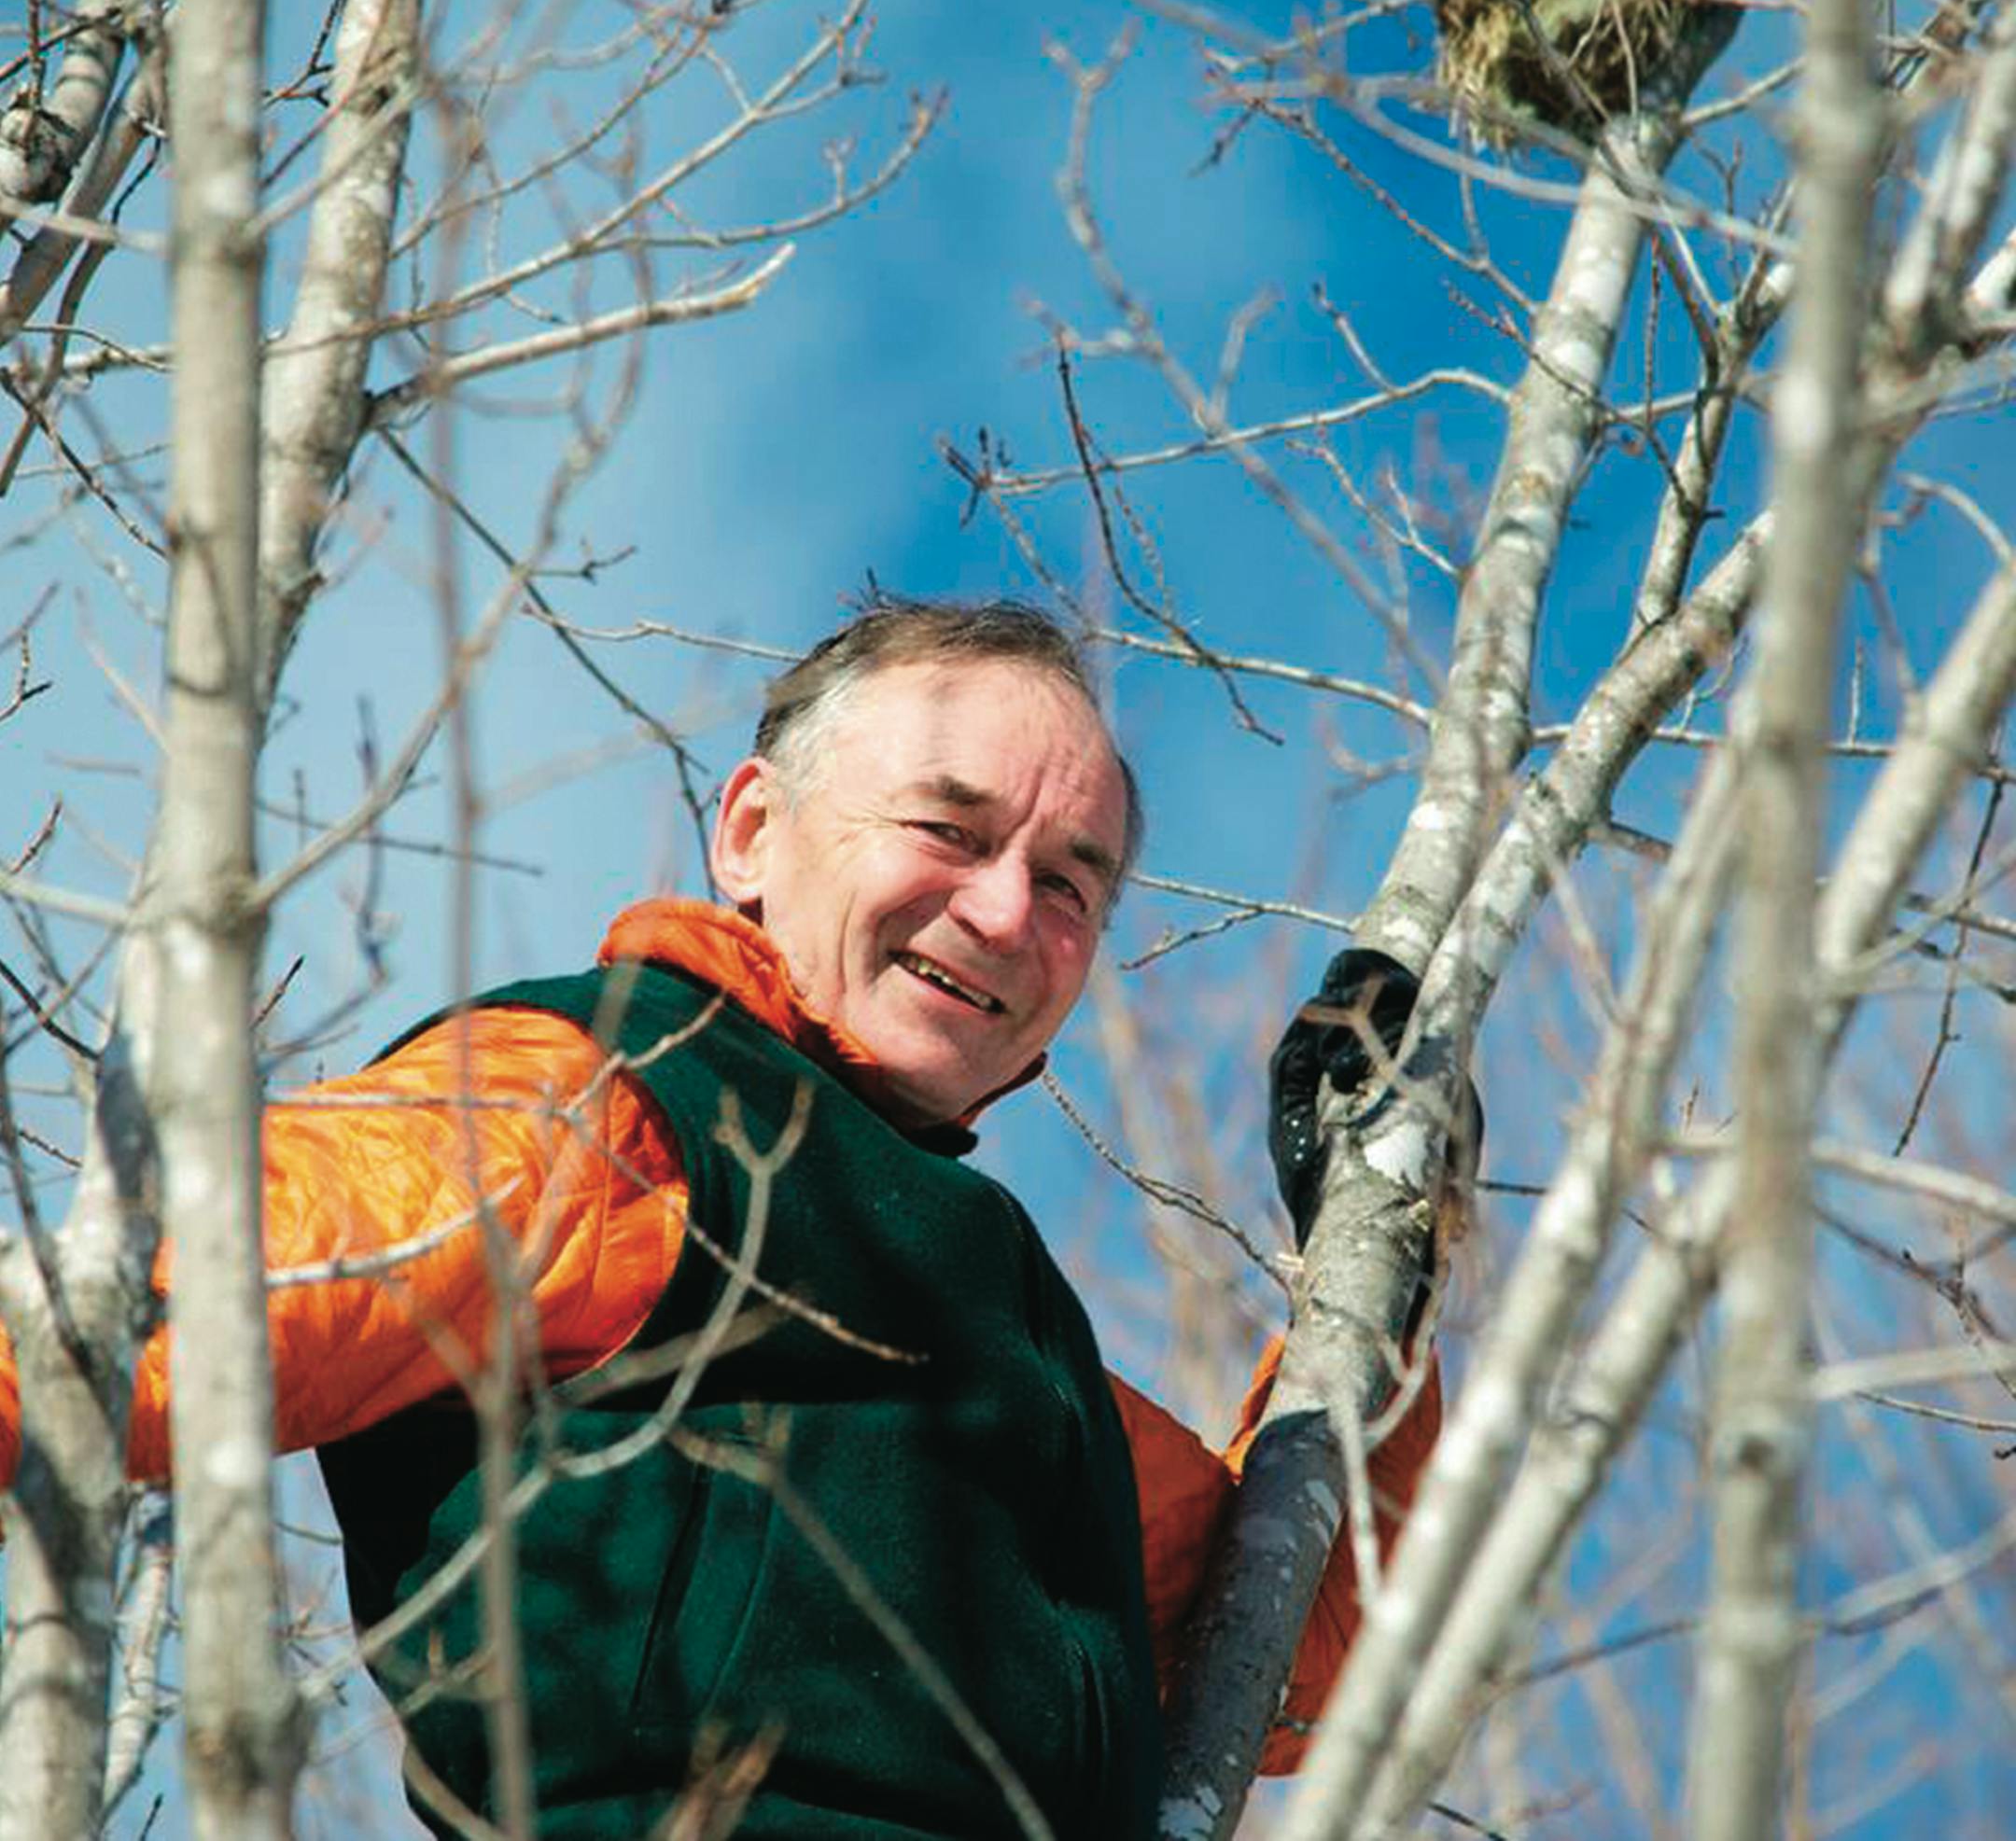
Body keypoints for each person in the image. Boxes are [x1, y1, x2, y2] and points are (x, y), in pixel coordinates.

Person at [0, 599, 1449, 1840]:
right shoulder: (593, 1104)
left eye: (1070, 884)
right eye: (948, 830)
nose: (1009, 915)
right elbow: (115, 1337)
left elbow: (1292, 1654)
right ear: (754, 831)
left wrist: (1386, 1244)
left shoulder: (1013, 1329)